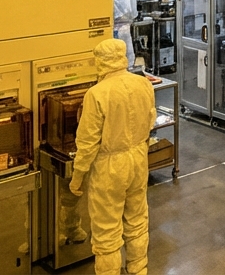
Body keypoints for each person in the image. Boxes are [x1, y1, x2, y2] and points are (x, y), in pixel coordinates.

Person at [70, 39, 157, 275]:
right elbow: (150, 120)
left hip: (110, 166)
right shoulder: (143, 84)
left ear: (101, 61)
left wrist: (77, 177)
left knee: (107, 231)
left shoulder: (96, 94)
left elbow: (87, 142)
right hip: (138, 158)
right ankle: (139, 269)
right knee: (137, 220)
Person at [112, 0, 138, 69]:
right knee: (127, 55)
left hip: (110, 27)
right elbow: (134, 12)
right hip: (125, 28)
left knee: (113, 57)